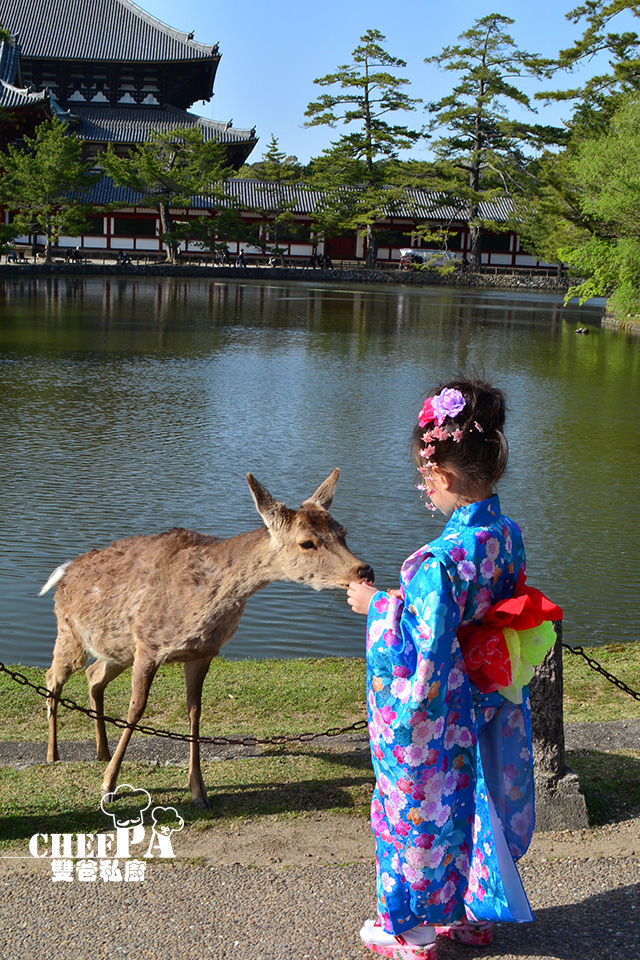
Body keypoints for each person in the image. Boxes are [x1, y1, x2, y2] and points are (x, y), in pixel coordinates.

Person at [347, 378, 561, 960]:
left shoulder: (435, 562)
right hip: (487, 699)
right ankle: (469, 915)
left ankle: (406, 930)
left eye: (424, 481)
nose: (425, 490)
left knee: (413, 806)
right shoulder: (505, 536)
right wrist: (410, 604)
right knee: (475, 799)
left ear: (438, 475)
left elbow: (421, 650)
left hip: (440, 709)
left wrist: (377, 607)